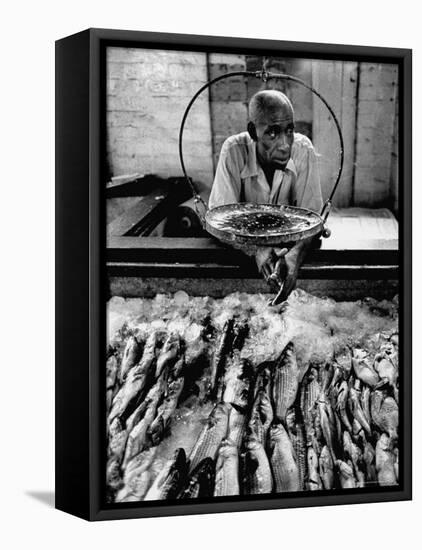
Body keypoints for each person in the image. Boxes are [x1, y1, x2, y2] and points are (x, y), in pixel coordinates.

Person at [208, 89, 323, 304]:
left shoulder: (303, 149)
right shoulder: (233, 150)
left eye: (289, 130)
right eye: (272, 132)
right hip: (242, 258)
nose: (285, 144)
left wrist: (295, 256)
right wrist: (256, 250)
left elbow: (313, 220)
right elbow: (219, 221)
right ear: (253, 131)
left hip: (289, 248)